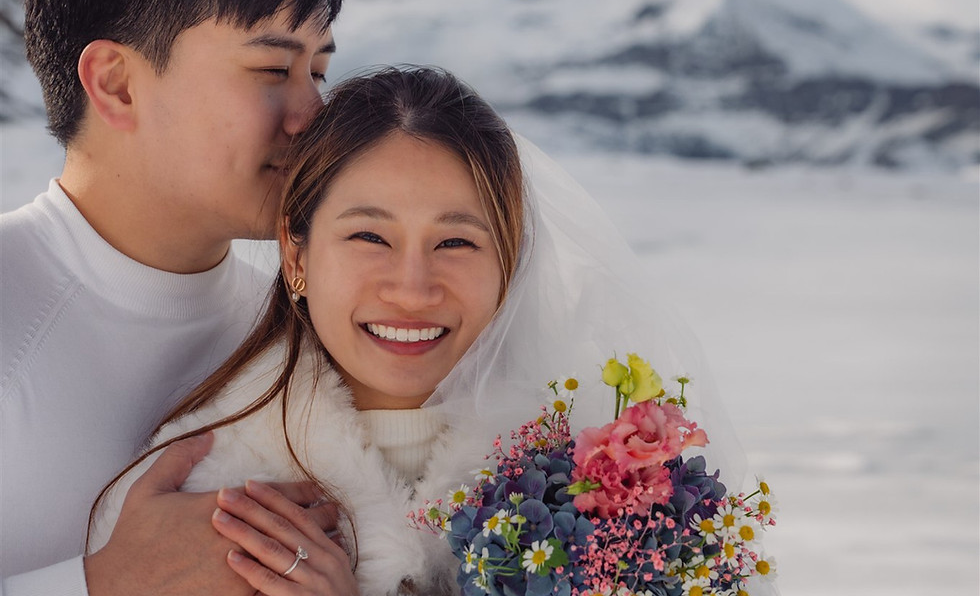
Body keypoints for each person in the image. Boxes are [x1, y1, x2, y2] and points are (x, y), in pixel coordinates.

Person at [90, 66, 754, 595]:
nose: (412, 289)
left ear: (511, 263)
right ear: (296, 254)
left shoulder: (601, 492)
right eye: (369, 236)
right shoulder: (199, 496)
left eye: (456, 243)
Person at [0, 0, 345, 595]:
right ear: (117, 83)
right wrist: (102, 583)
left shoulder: (314, 326)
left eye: (318, 71)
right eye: (273, 68)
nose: (314, 115)